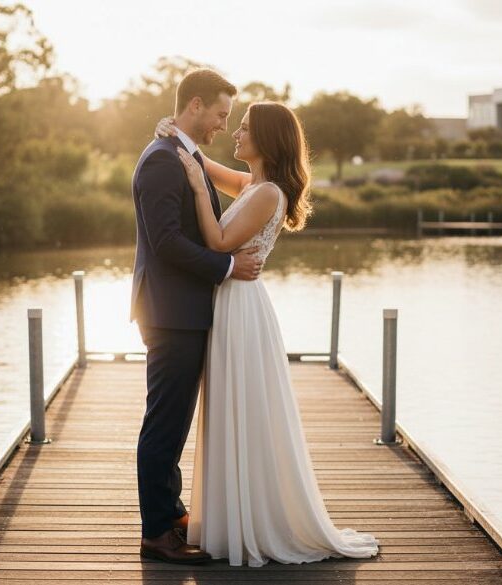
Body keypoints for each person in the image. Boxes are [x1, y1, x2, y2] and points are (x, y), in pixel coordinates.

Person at [155, 100, 380, 567]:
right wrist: (176, 137)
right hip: (236, 302)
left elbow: (218, 241)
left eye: (243, 129)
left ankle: (250, 521)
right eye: (234, 126)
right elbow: (206, 164)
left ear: (266, 139)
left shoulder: (265, 193)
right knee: (236, 406)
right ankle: (235, 513)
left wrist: (197, 188)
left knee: (242, 407)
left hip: (239, 308)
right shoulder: (255, 184)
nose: (235, 134)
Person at [129, 68, 263, 564]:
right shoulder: (162, 161)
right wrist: (228, 265)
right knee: (164, 423)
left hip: (183, 309)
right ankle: (156, 532)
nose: (224, 125)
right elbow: (165, 243)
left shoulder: (182, 154)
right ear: (196, 105)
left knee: (176, 418)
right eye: (221, 115)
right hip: (170, 313)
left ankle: (171, 510)